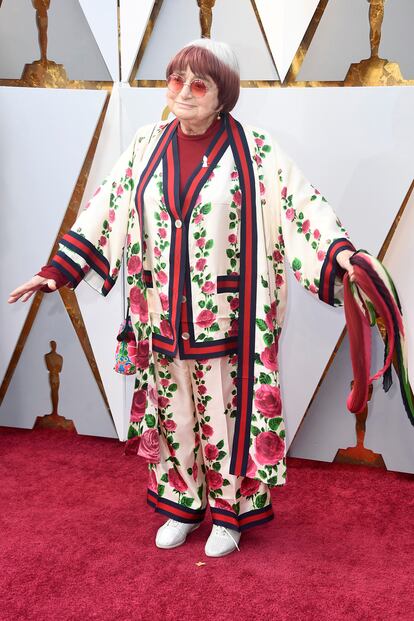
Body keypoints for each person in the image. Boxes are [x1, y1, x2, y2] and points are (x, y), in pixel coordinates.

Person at [8, 39, 357, 557]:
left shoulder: (256, 152)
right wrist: (56, 270)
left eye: (200, 84)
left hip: (226, 321)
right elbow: (107, 204)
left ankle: (227, 516)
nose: (184, 93)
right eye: (176, 80)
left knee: (224, 416)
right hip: (162, 319)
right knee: (174, 415)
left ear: (223, 96)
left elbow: (299, 208)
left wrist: (343, 257)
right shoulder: (147, 143)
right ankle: (181, 504)